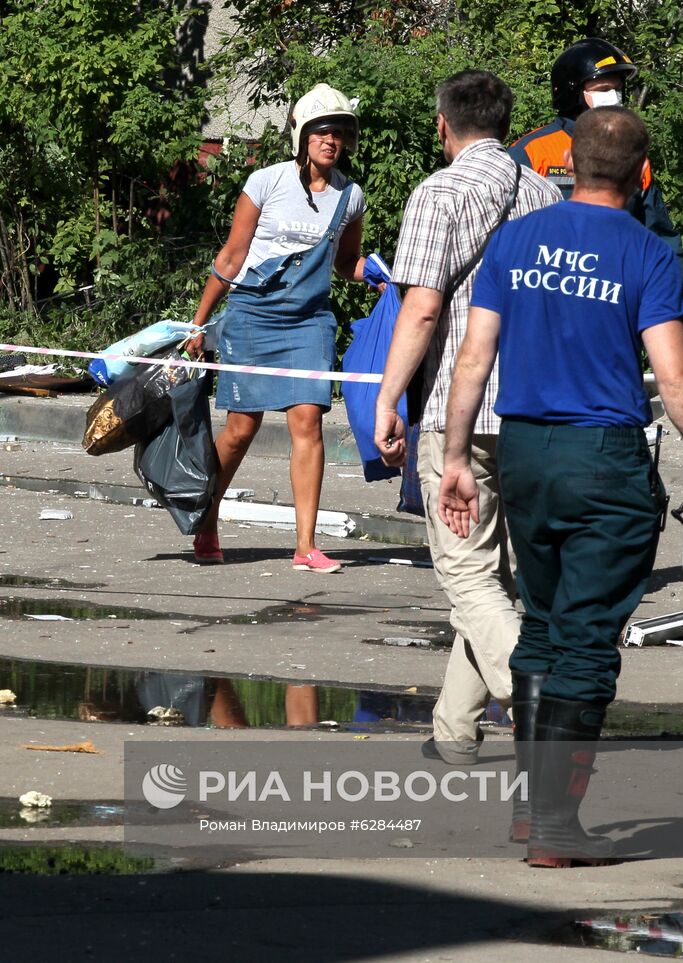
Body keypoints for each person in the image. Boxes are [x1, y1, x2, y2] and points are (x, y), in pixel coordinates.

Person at [437, 106, 683, 867]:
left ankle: (528, 809)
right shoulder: (647, 251)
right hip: (601, 454)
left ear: (566, 163)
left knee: (540, 621)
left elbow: (473, 358)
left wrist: (454, 459)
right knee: (586, 641)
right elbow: (673, 373)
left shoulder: (514, 239)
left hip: (525, 450)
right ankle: (555, 826)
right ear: (641, 176)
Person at [372, 70, 562, 770]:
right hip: (539, 405)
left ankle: (546, 710)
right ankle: (453, 729)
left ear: (442, 124)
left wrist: (387, 398)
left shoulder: (439, 191)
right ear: (507, 123)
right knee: (497, 580)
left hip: (464, 405)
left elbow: (422, 307)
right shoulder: (544, 193)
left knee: (469, 579)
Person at [187, 82, 368, 572]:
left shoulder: (350, 197)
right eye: (322, 131)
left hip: (309, 321)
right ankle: (206, 517)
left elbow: (346, 262)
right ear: (302, 135)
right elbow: (232, 254)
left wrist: (381, 275)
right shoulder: (266, 181)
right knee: (242, 429)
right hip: (252, 316)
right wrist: (198, 324)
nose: (331, 141)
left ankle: (306, 546)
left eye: (339, 133)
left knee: (309, 422)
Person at [509, 38, 683, 345]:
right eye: (602, 89)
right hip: (543, 309)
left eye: (617, 88)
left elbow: (659, 235)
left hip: (615, 308)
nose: (614, 96)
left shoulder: (634, 154)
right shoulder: (531, 153)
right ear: (573, 93)